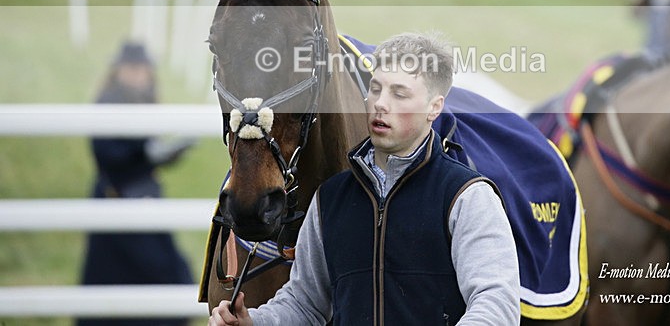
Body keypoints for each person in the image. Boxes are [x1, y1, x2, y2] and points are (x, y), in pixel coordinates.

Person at [209, 33, 520, 325]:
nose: (381, 103)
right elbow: (305, 304)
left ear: (433, 108)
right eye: (375, 89)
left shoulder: (467, 197)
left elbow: (496, 303)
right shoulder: (329, 199)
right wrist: (253, 322)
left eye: (399, 93)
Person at [78, 41, 195, 326]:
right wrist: (145, 154)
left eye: (142, 68)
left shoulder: (146, 100)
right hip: (116, 197)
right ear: (118, 70)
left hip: (146, 196)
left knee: (169, 273)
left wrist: (165, 154)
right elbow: (106, 153)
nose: (137, 74)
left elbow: (147, 155)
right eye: (131, 68)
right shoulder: (108, 102)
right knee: (124, 277)